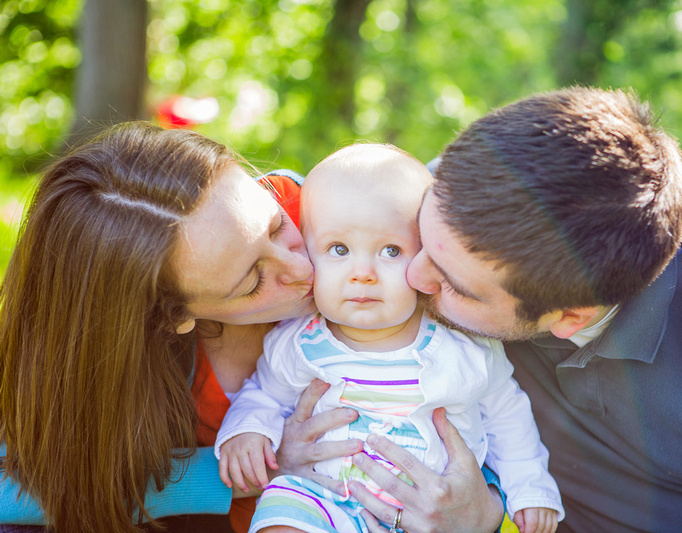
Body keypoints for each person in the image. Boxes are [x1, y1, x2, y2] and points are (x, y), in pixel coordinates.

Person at [347, 86, 682, 532]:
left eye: (454, 286)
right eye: (419, 238)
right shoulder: (461, 203)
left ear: (570, 317)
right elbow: (299, 223)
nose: (411, 276)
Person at [0, 122, 363, 533]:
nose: (304, 268)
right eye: (252, 282)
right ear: (173, 319)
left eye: (276, 225)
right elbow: (15, 490)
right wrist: (238, 472)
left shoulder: (336, 209)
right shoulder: (105, 350)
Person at [215, 143, 563, 533]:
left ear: (425, 256)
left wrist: (530, 489)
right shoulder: (300, 344)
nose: (362, 272)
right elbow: (264, 393)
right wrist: (247, 430)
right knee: (281, 520)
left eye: (391, 250)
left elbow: (507, 415)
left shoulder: (461, 346)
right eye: (339, 248)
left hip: (431, 510)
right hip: (322, 498)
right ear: (311, 256)